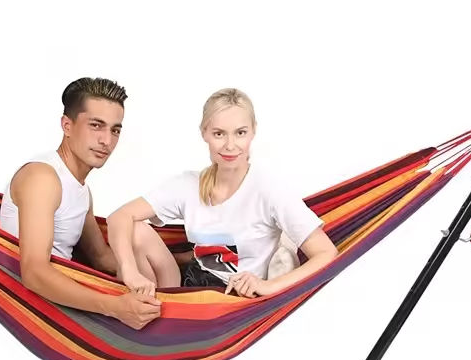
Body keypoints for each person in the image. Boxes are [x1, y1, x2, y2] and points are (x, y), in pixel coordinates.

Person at [106, 88, 338, 297]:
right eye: (219, 134)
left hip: (230, 307)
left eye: (240, 133)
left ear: (253, 132)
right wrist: (129, 271)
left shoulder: (269, 190)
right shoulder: (188, 185)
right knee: (135, 230)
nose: (230, 145)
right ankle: (151, 311)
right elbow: (119, 217)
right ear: (204, 133)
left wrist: (269, 286)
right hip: (182, 294)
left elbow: (325, 252)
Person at [0, 77, 161, 329]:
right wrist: (114, 307)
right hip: (39, 308)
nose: (107, 141)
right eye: (96, 125)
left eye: (115, 130)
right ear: (67, 125)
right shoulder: (42, 178)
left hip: (67, 301)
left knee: (141, 242)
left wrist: (183, 257)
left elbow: (101, 257)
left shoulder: (81, 190)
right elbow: (34, 273)